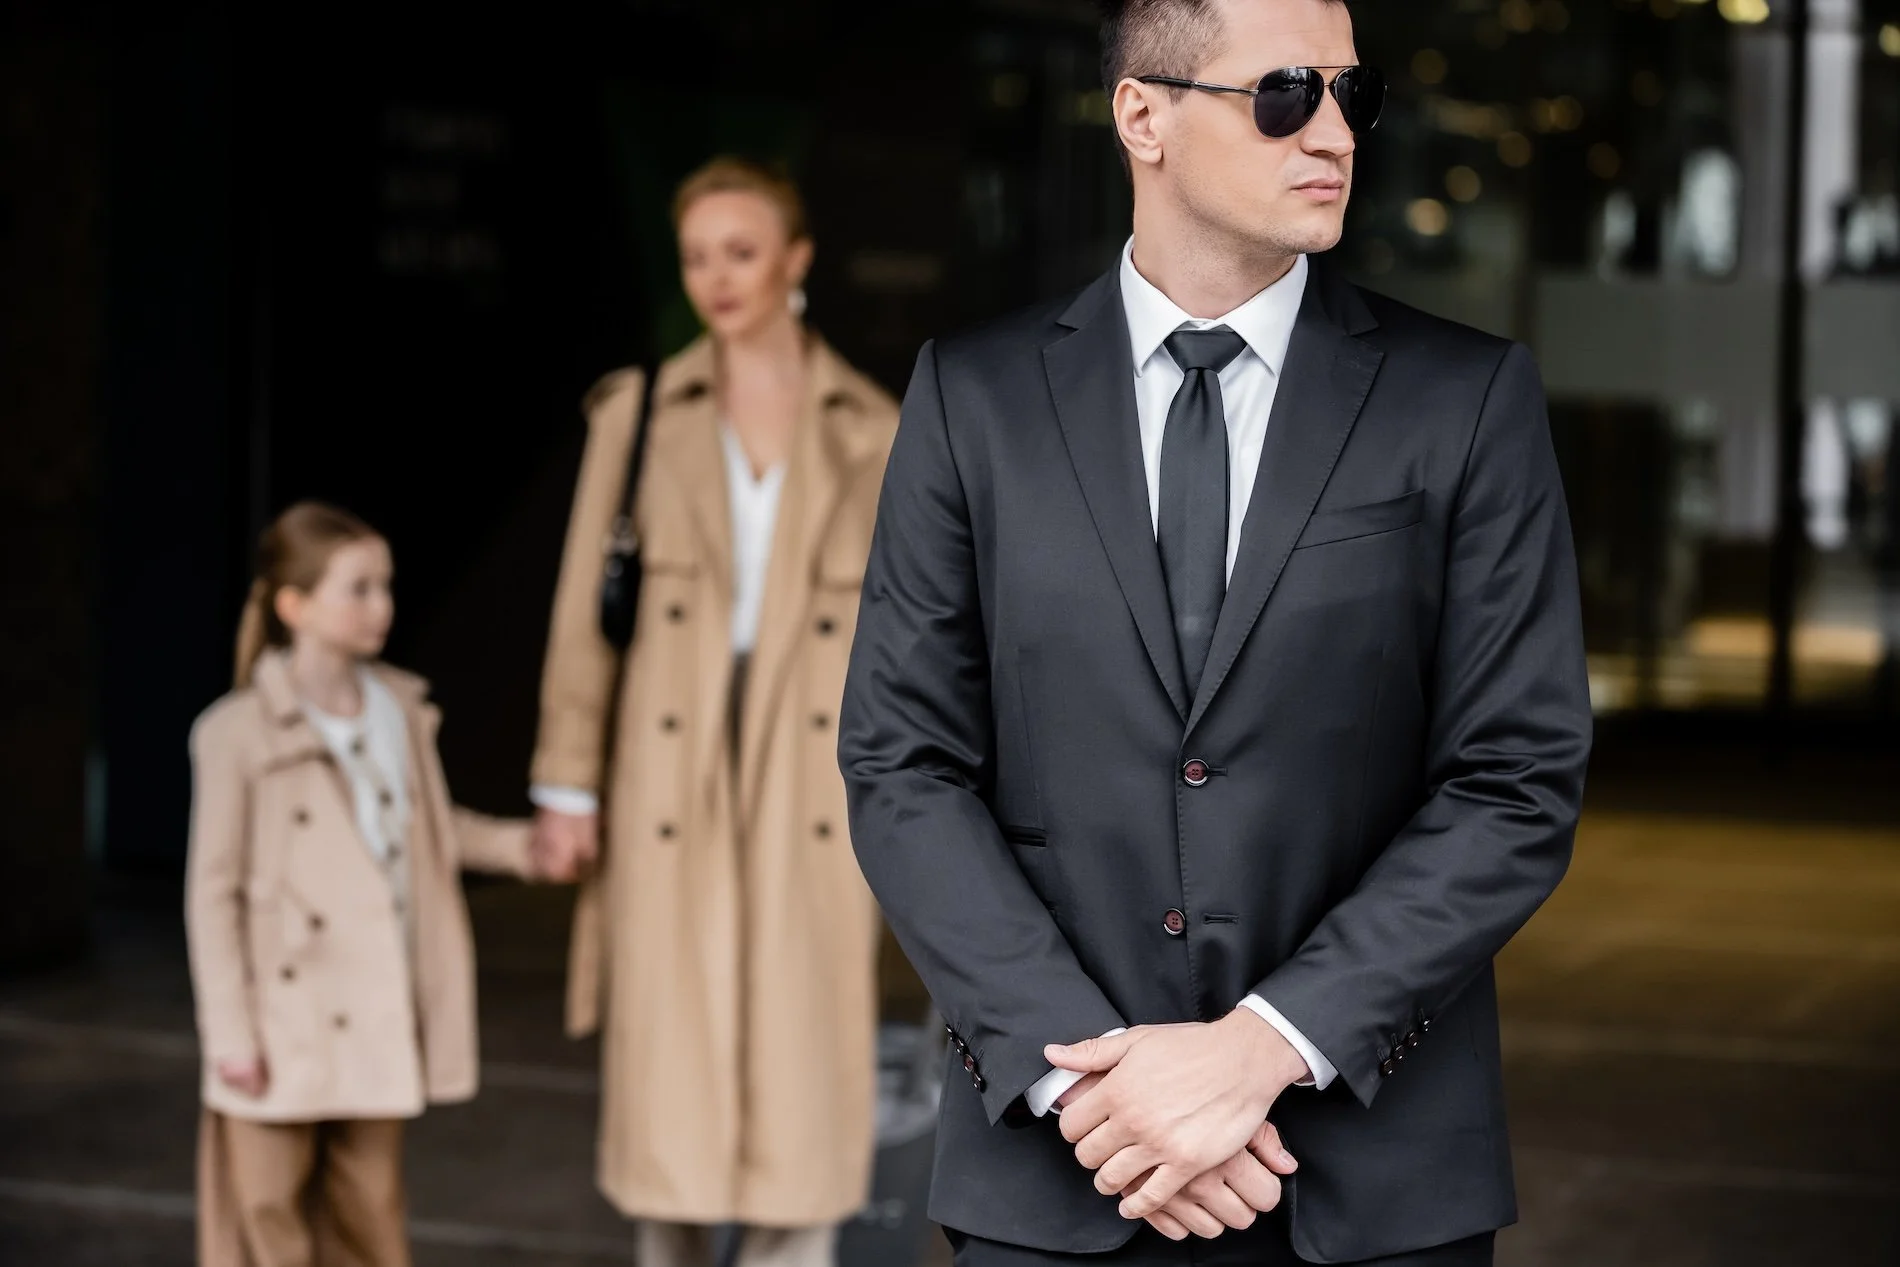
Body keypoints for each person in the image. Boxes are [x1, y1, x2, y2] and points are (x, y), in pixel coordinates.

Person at [838, 0, 1593, 1263]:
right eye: (1288, 92)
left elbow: (1515, 780)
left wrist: (1259, 1050)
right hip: (1059, 1168)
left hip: (1366, 1175)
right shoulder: (972, 397)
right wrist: (1092, 1092)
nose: (1336, 132)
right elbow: (902, 764)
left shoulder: (1463, 399)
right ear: (1143, 114)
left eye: (1357, 94)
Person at [529, 157, 900, 1267]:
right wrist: (565, 780)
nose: (717, 278)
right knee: (671, 1063)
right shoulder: (639, 411)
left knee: (800, 1047)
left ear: (796, 259)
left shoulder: (876, 429)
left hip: (815, 768)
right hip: (665, 761)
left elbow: (921, 642)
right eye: (696, 256)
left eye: (741, 252)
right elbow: (583, 617)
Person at [187, 501, 539, 1267]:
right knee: (265, 1220)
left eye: (385, 585)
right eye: (358, 587)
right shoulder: (234, 732)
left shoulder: (400, 712)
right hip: (281, 1024)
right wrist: (231, 1036)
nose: (381, 605)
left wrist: (525, 848)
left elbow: (434, 828)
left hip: (378, 1008)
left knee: (370, 1218)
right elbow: (210, 896)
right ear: (294, 604)